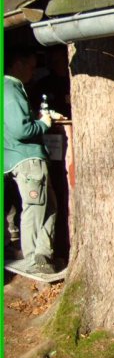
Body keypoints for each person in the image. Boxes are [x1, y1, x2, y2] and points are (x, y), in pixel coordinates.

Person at [4, 44, 57, 274]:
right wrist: (43, 123)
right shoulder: (10, 88)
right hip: (27, 159)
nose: (33, 73)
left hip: (17, 157)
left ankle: (43, 255)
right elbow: (21, 129)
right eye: (31, 67)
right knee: (35, 208)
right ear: (18, 64)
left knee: (48, 206)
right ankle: (33, 260)